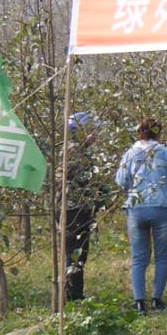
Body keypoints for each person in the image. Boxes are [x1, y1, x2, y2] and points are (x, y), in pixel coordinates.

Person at [115, 117, 167, 313]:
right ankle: (157, 300)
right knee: (162, 256)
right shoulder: (166, 153)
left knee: (139, 257)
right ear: (159, 133)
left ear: (139, 132)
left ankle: (139, 301)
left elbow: (121, 180)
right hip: (162, 207)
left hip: (136, 208)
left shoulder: (130, 154)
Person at [63, 112, 106, 302]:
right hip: (74, 211)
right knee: (75, 253)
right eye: (91, 130)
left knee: (79, 253)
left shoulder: (82, 152)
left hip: (80, 210)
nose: (95, 134)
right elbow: (81, 183)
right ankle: (72, 296)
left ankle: (75, 293)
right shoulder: (74, 152)